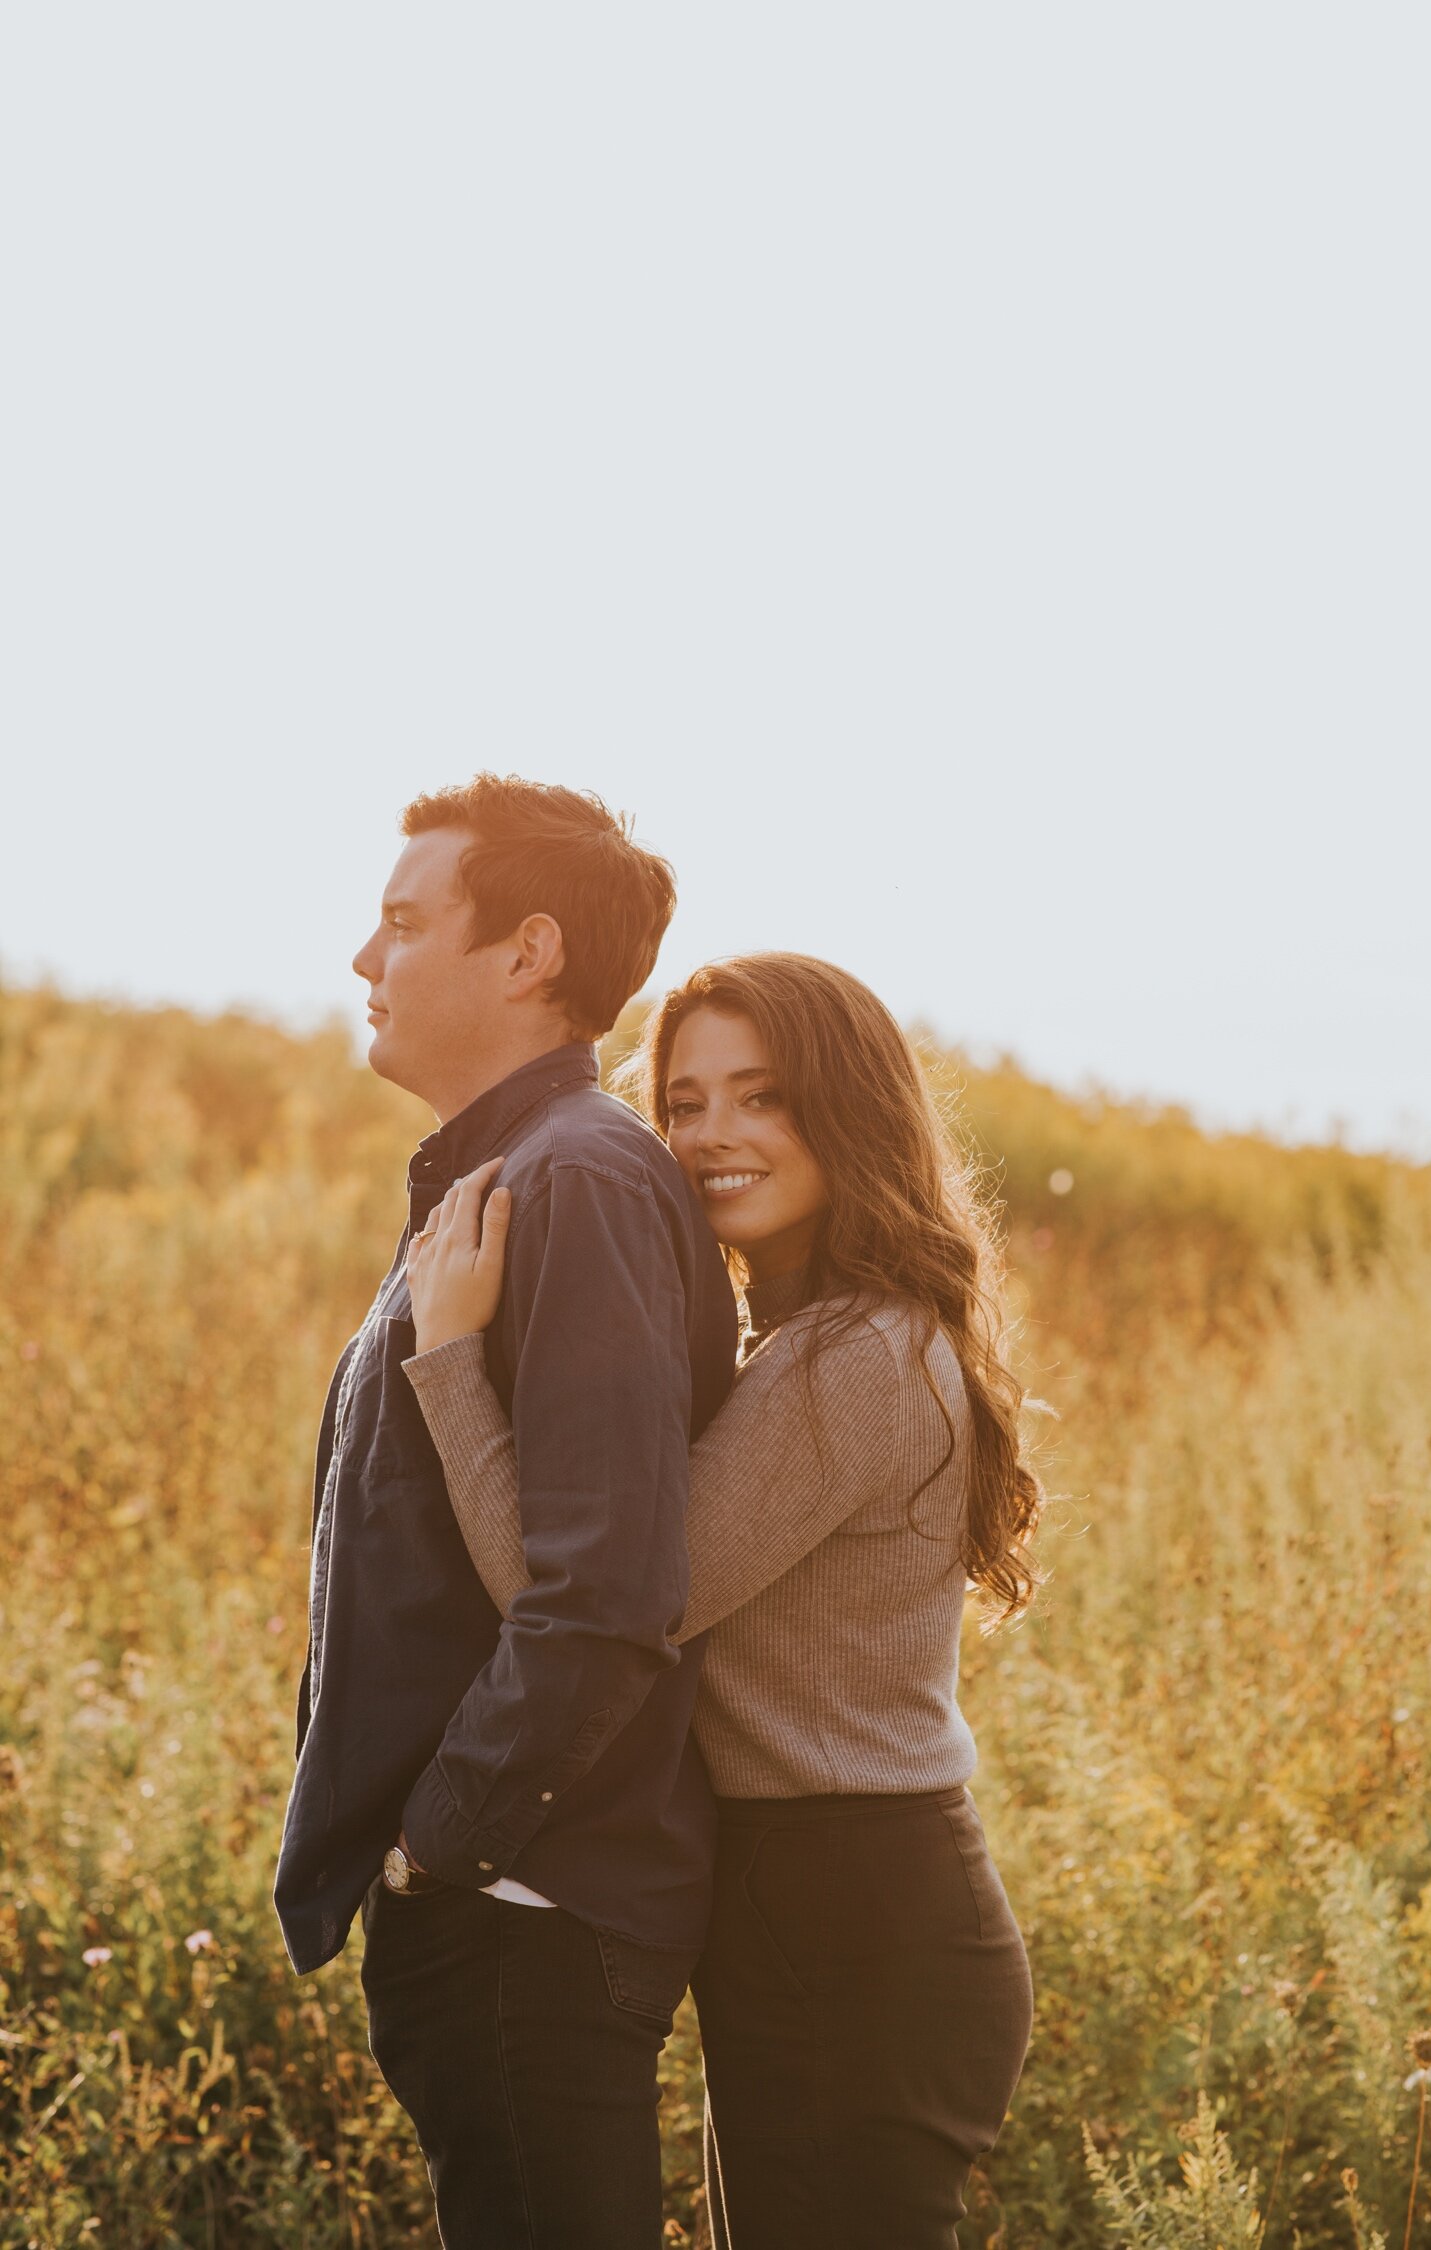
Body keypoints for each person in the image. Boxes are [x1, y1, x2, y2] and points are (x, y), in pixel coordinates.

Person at [402, 950, 1040, 2250]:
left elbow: (584, 1601)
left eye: (762, 1095)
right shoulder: (806, 1335)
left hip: (854, 1910)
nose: (711, 1136)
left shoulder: (857, 1353)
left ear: (849, 1109)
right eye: (685, 1102)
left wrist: (452, 1358)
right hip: (808, 1900)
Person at [273, 775, 739, 2250]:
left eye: (404, 922)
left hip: (523, 1912)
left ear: (527, 953)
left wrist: (442, 1847)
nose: (366, 959)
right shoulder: (503, 1179)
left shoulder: (579, 1182)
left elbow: (605, 1588)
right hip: (498, 1908)